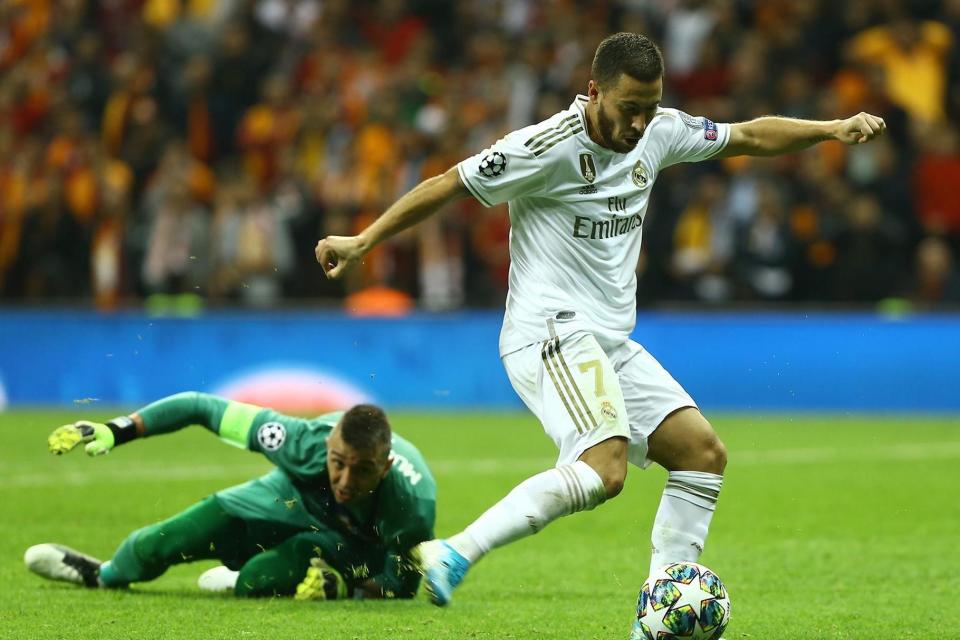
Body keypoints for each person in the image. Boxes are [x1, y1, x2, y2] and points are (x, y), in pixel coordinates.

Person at [314, 31, 886, 633]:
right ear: (594, 93)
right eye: (629, 108)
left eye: (650, 106)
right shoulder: (544, 146)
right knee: (605, 467)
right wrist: (362, 241)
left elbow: (746, 135)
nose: (641, 123)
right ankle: (456, 551)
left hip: (609, 340)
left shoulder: (661, 130)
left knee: (702, 455)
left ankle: (658, 614)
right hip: (548, 332)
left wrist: (829, 128)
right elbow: (448, 185)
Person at [24, 392, 436, 601]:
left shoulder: (412, 506)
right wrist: (118, 430)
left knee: (263, 577)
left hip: (355, 547)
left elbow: (401, 586)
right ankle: (103, 575)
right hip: (291, 497)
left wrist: (351, 590)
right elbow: (200, 406)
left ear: (384, 467)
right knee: (163, 541)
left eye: (362, 470)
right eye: (337, 462)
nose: (345, 480)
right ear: (327, 444)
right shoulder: (299, 441)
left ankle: (243, 578)